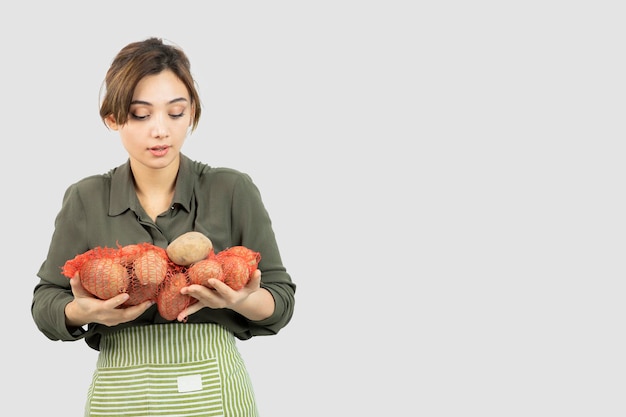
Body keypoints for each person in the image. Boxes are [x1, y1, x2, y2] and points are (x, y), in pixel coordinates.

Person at [31, 37, 296, 417]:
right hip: (120, 395)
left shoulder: (231, 189)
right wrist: (84, 312)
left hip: (214, 392)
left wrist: (241, 301)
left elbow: (280, 299)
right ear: (113, 117)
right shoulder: (86, 197)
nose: (161, 131)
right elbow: (45, 301)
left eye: (176, 113)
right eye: (141, 114)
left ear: (191, 113)